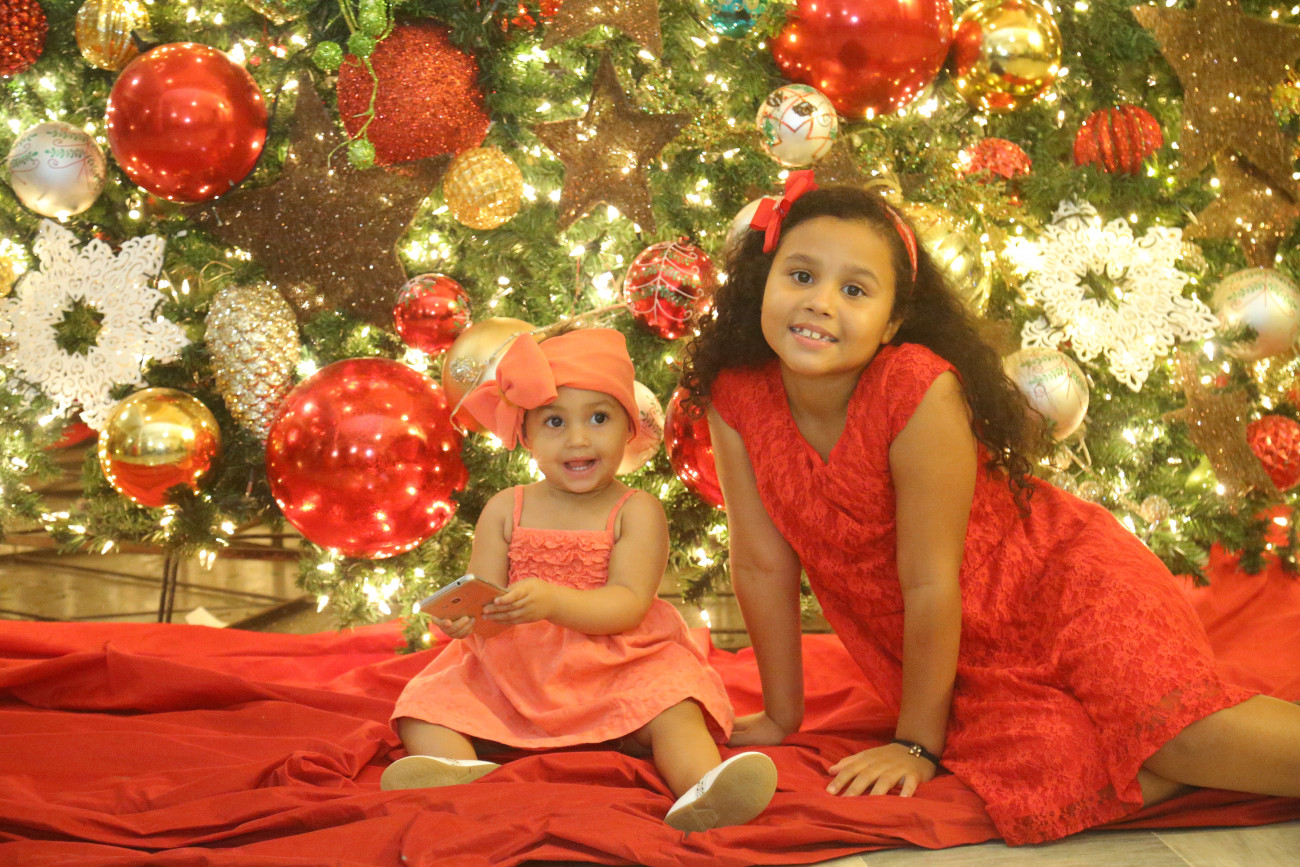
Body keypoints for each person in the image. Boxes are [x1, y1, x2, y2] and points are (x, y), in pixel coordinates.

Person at [679, 171, 1300, 845]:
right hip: (967, 650)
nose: (820, 302)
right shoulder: (736, 393)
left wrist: (915, 743)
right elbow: (761, 562)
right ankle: (1147, 750)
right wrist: (780, 715)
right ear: (763, 283)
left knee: (1176, 740)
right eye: (800, 276)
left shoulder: (917, 388)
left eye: (854, 290)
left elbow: (929, 579)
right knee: (1044, 762)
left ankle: (1176, 743)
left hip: (1066, 586)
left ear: (892, 322)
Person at [384, 327, 778, 832]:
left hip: (616, 664)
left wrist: (553, 601)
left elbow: (628, 604)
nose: (578, 439)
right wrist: (464, 620)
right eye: (555, 421)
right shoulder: (506, 508)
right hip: (518, 666)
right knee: (425, 704)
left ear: (629, 428)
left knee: (674, 704)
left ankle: (704, 787)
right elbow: (483, 598)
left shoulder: (636, 510)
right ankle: (454, 772)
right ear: (526, 435)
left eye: (599, 418)